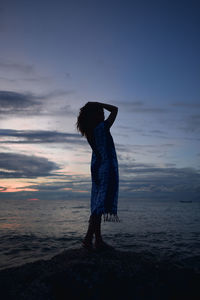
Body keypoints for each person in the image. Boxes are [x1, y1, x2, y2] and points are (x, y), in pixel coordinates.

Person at [76, 102, 119, 251]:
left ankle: (96, 240)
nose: (104, 114)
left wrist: (94, 106)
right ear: (96, 115)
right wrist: (97, 103)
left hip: (97, 169)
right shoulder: (101, 128)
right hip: (106, 168)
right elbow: (115, 109)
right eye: (101, 112)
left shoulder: (90, 131)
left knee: (97, 205)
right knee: (98, 206)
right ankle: (90, 240)